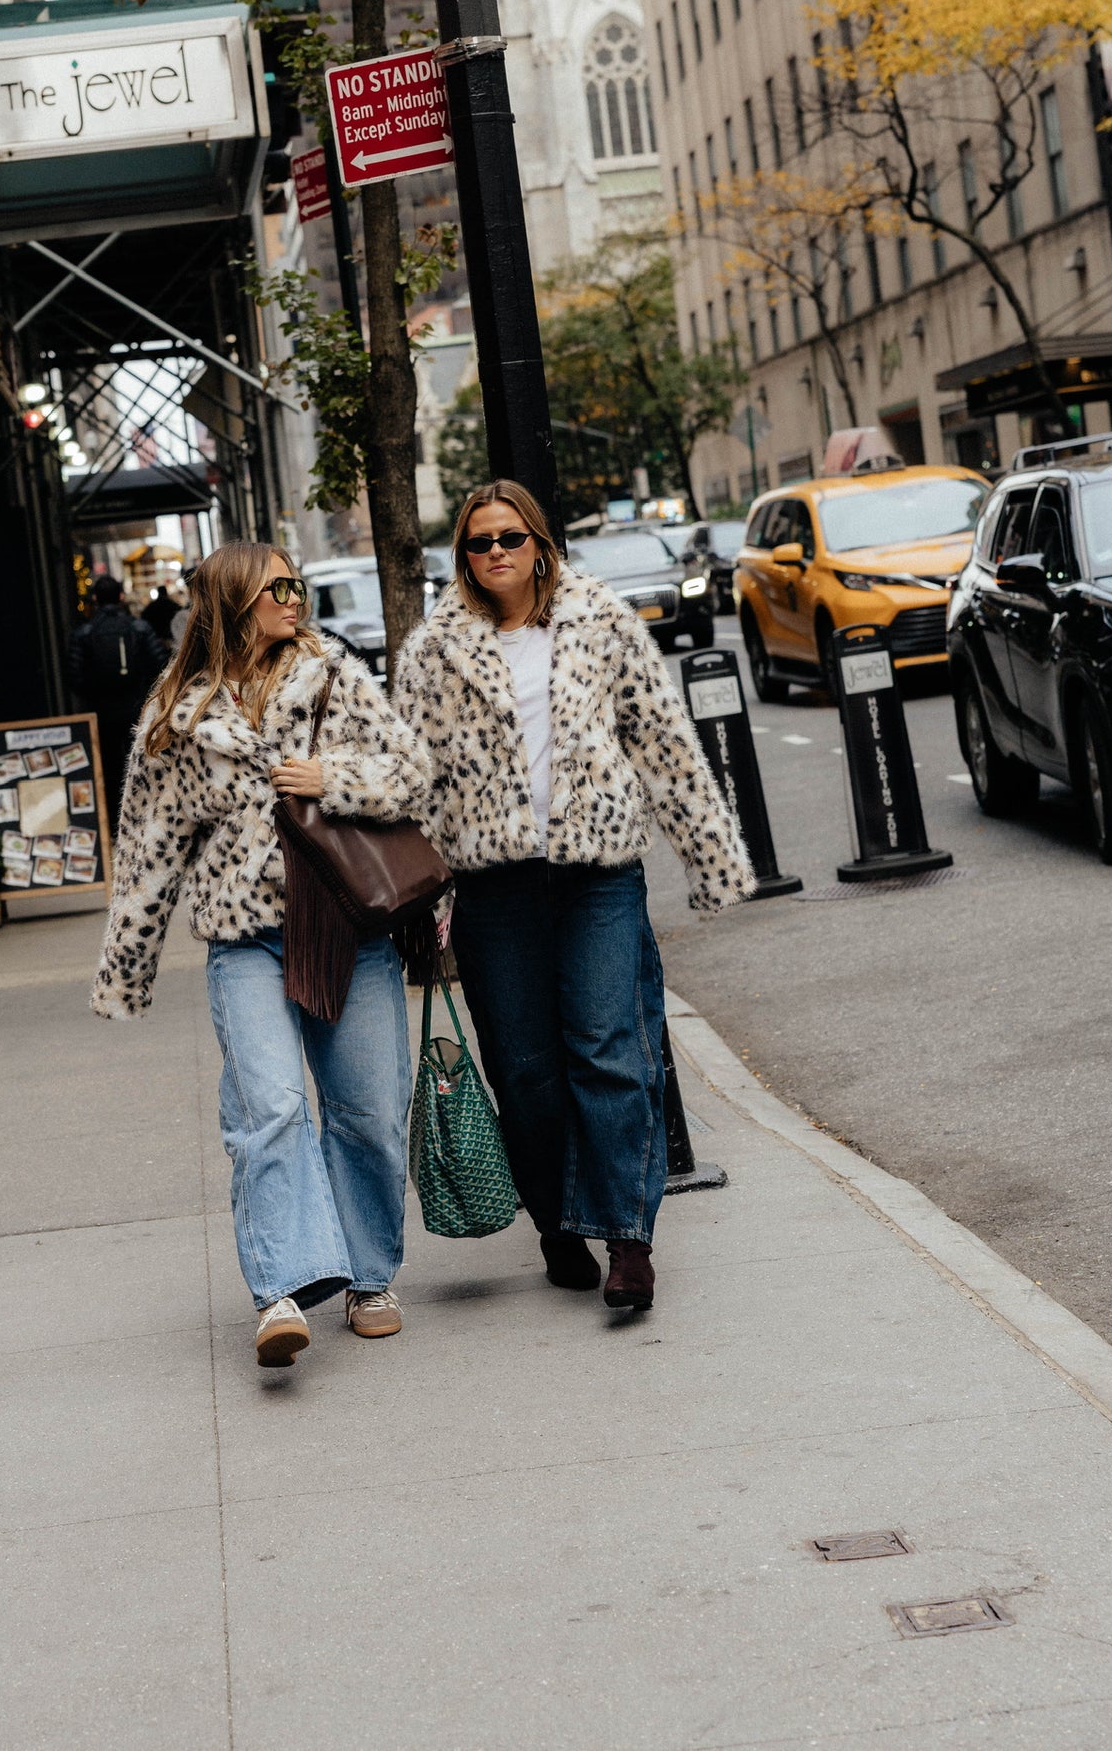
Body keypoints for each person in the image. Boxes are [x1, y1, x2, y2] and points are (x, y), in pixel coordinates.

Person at [394, 481, 752, 1314]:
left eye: (510, 539)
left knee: (609, 1049)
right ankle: (558, 1225)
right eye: (479, 544)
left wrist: (710, 856)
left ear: (540, 543)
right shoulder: (433, 650)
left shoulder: (598, 620)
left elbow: (660, 737)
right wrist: (415, 899)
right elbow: (411, 773)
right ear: (463, 557)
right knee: (523, 1071)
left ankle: (628, 1238)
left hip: (596, 873)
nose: (495, 555)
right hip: (495, 883)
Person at [91, 541, 431, 1370]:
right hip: (243, 940)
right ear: (230, 603)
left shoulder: (334, 675)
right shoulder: (177, 714)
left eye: (295, 583)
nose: (292, 597)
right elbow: (149, 849)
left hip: (346, 927)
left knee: (369, 1113)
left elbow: (412, 770)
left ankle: (368, 1276)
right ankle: (280, 1288)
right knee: (268, 1109)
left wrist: (330, 776)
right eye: (275, 586)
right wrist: (125, 971)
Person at [67, 575, 169, 820]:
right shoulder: (138, 628)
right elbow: (161, 665)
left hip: (101, 710)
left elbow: (75, 676)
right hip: (137, 705)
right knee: (142, 758)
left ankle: (117, 816)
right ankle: (147, 811)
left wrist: (94, 694)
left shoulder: (84, 632)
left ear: (95, 599)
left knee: (110, 764)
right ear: (121, 597)